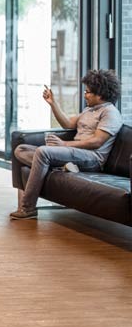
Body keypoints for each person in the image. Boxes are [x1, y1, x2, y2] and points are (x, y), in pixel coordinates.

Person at [10, 70, 123, 220]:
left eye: (88, 92)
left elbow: (97, 141)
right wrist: (52, 103)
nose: (84, 94)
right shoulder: (89, 110)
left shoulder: (110, 113)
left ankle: (27, 208)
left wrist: (64, 144)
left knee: (43, 153)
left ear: (100, 95)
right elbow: (67, 123)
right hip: (74, 153)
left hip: (92, 158)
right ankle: (60, 166)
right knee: (21, 149)